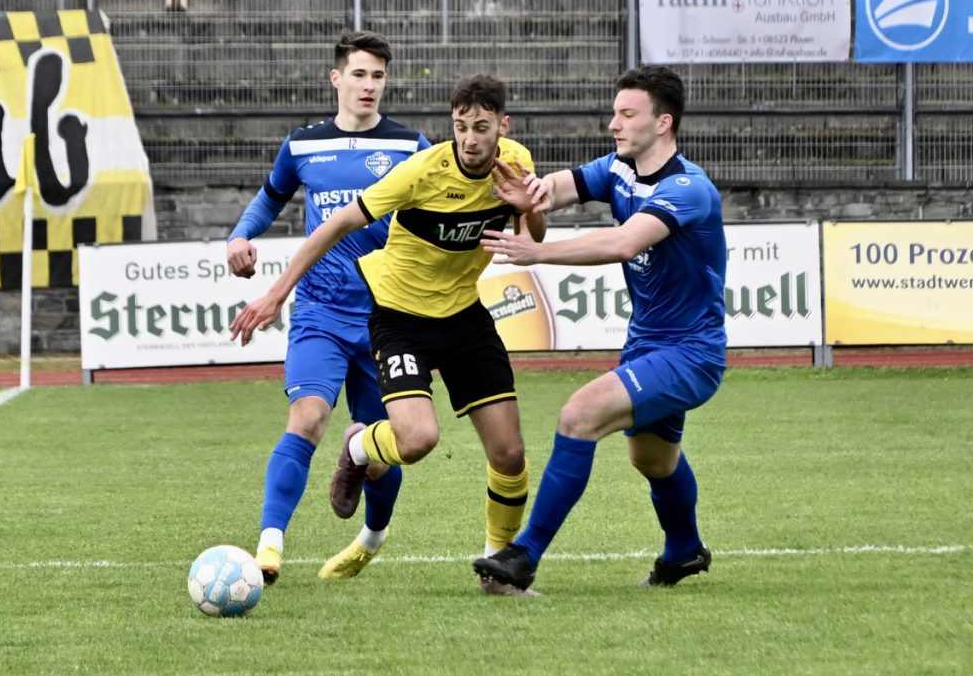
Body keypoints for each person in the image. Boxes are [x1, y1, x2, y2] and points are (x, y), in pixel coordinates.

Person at [230, 74, 546, 575]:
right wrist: (276, 292)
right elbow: (336, 225)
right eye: (460, 126)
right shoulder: (421, 170)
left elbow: (532, 234)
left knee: (510, 453)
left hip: (464, 315)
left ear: (501, 127)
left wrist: (530, 209)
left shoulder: (518, 164)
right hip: (400, 316)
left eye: (480, 127)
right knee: (417, 441)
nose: (468, 138)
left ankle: (497, 566)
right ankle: (357, 446)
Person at [472, 65, 727, 592]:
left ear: (663, 123)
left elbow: (623, 243)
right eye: (614, 112)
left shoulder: (689, 188)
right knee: (652, 457)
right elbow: (564, 185)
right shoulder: (619, 168)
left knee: (578, 414)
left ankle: (524, 556)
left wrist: (537, 252)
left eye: (627, 114)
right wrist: (532, 193)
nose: (613, 123)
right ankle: (683, 552)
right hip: (648, 344)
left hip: (690, 353)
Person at [226, 31, 431, 586]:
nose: (369, 85)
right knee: (310, 416)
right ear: (336, 78)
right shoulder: (302, 146)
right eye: (359, 74)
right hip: (320, 311)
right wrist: (240, 236)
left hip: (389, 318)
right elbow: (271, 196)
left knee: (382, 450)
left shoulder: (414, 147)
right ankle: (269, 547)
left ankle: (371, 538)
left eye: (378, 76)